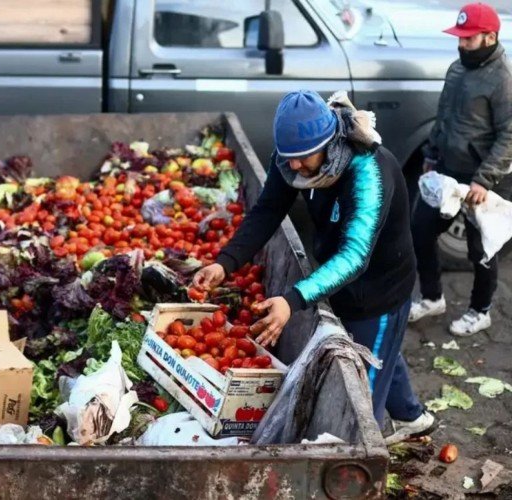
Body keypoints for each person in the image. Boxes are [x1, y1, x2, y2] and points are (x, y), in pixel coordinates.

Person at [192, 90, 434, 443]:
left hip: (378, 290)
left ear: (329, 142)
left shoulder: (369, 174)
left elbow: (354, 257)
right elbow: (268, 210)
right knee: (380, 350)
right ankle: (412, 416)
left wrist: (291, 301)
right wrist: (224, 263)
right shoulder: (293, 157)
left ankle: (366, 452)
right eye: (288, 159)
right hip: (336, 277)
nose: (293, 167)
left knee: (359, 397)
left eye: (302, 159)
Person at [408, 2, 512, 336]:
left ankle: (480, 311)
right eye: (460, 37)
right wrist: (431, 155)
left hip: (481, 178)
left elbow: (509, 133)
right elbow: (444, 117)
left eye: (469, 38)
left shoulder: (502, 79)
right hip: (446, 172)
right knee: (421, 230)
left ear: (490, 37)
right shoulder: (456, 69)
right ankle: (432, 296)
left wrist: (484, 180)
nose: (461, 43)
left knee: (480, 249)